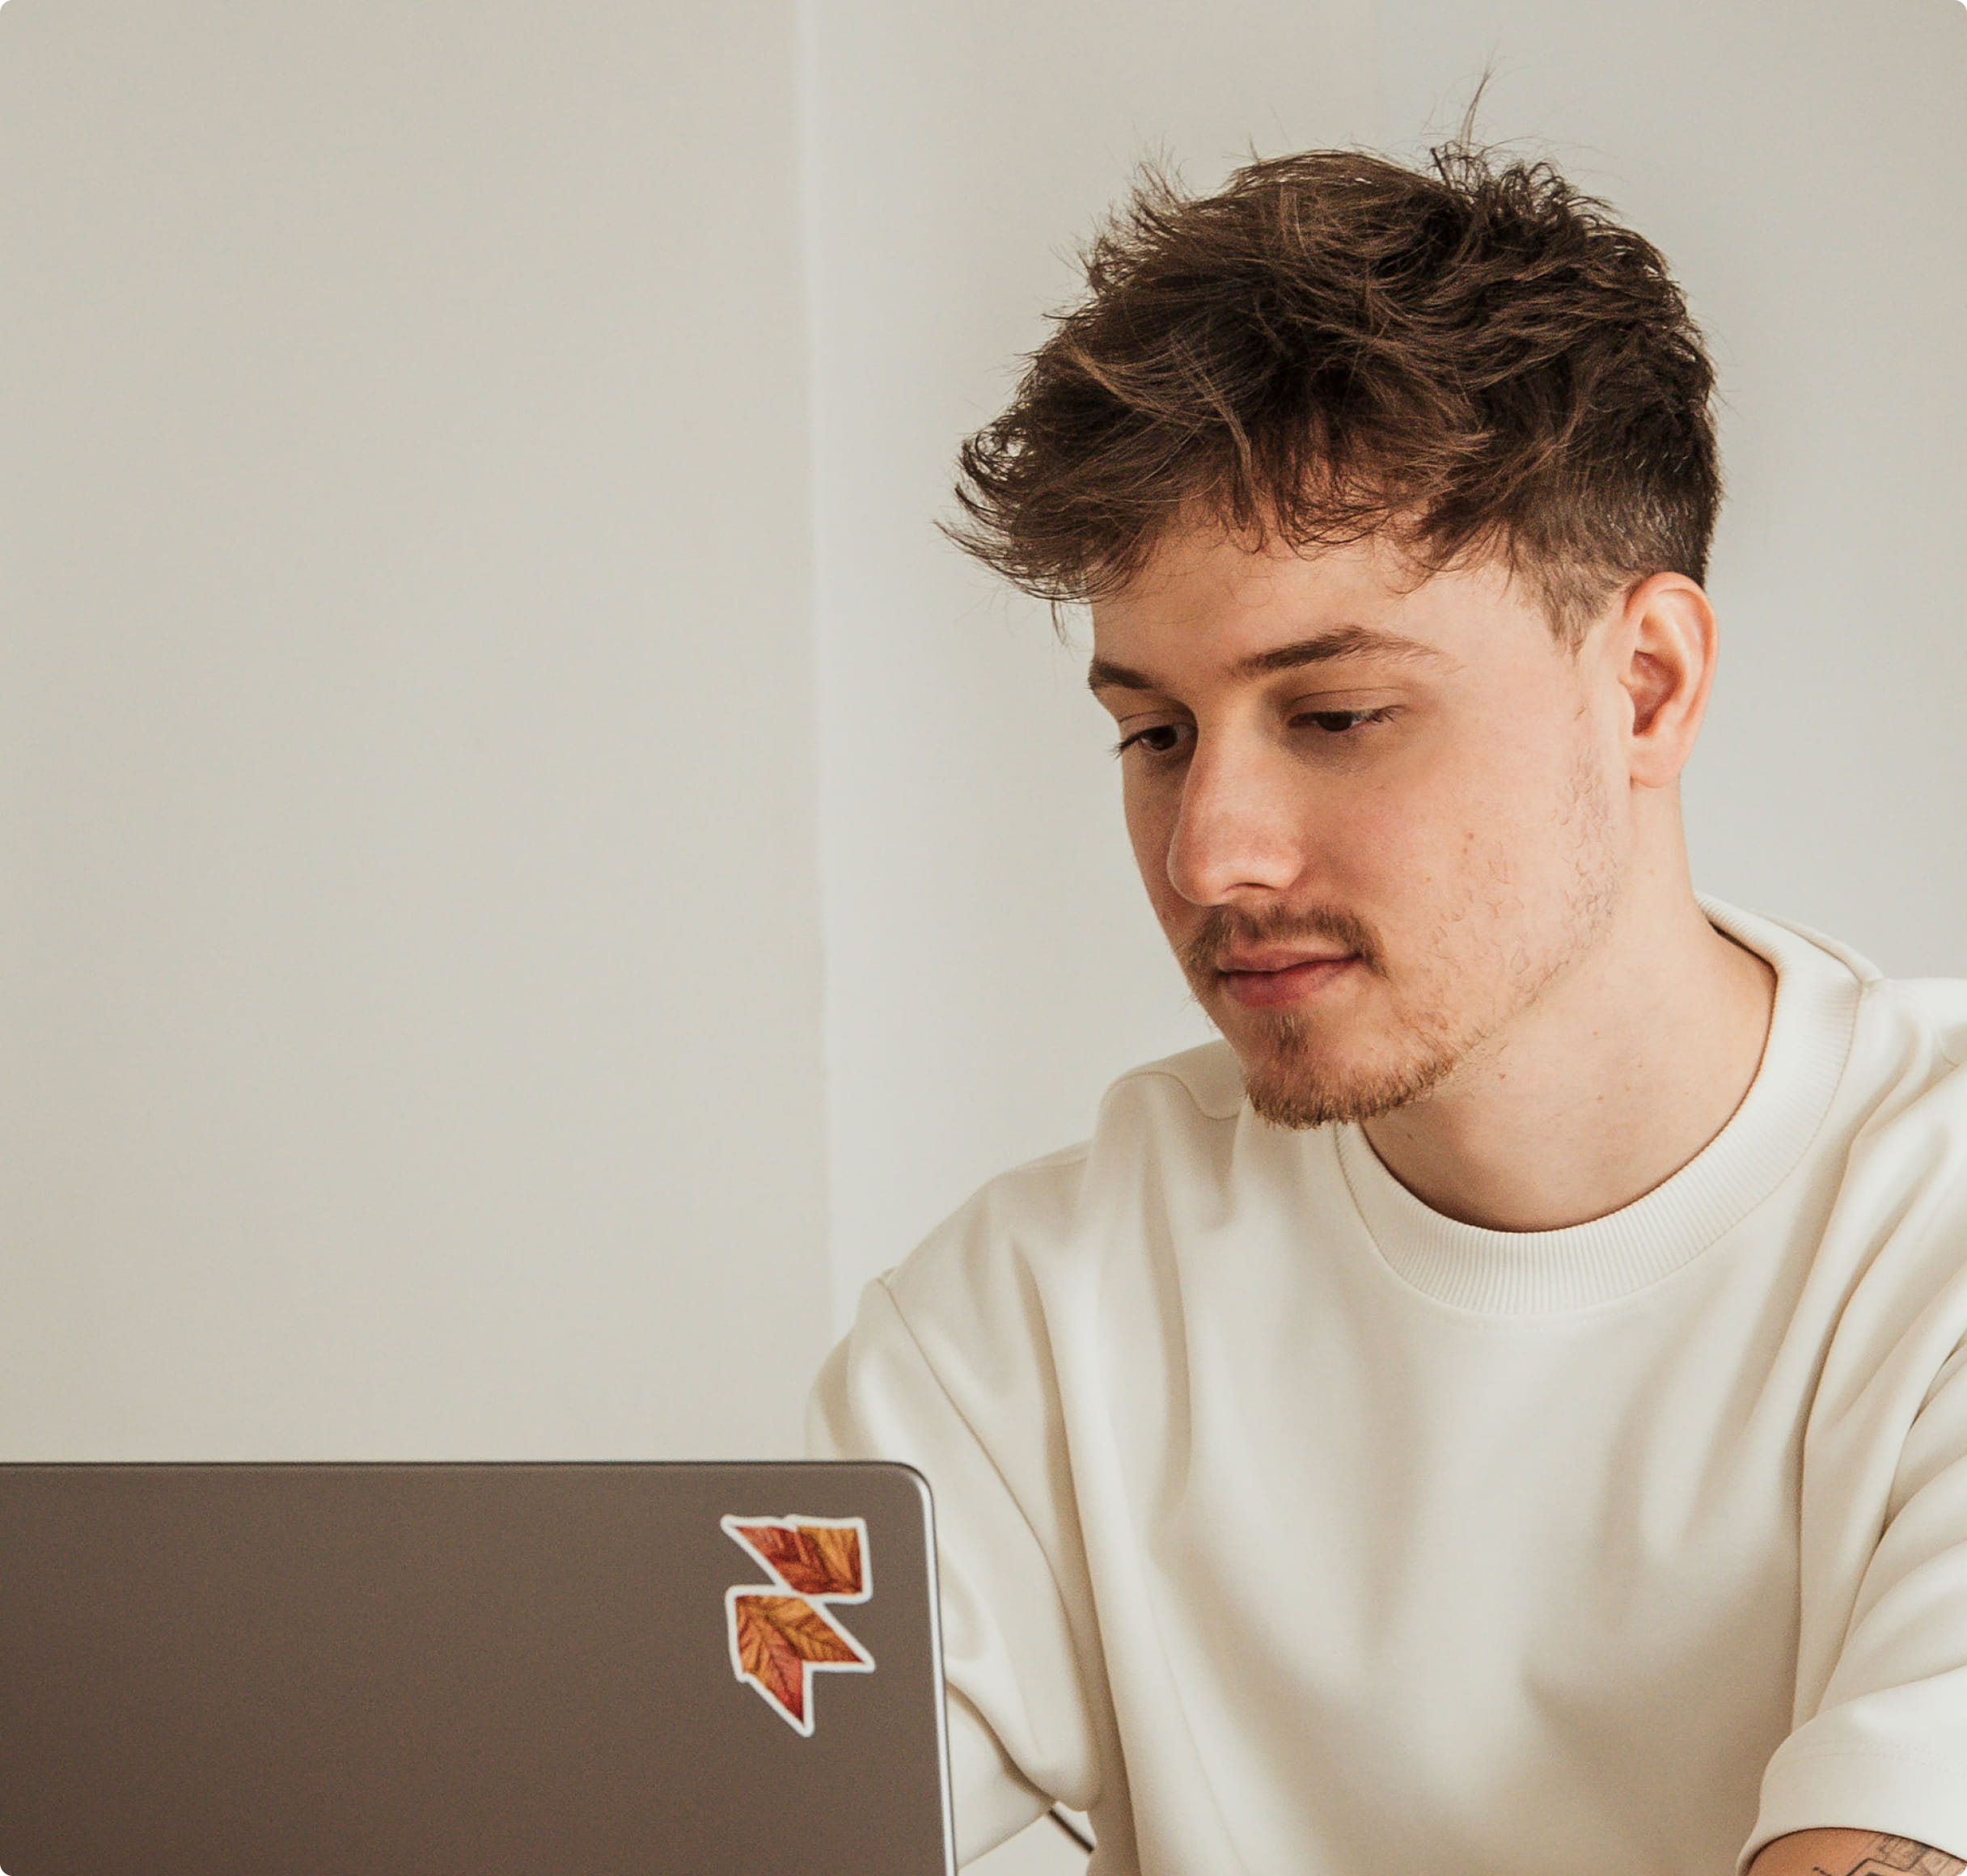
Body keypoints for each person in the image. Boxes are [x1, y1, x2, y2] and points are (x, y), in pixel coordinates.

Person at [806, 141, 1967, 1876]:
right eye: (1153, 730)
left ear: (1643, 685)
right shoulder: (1004, 1337)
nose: (1210, 853)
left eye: (1335, 713)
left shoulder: (1929, 1232)